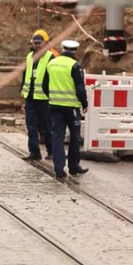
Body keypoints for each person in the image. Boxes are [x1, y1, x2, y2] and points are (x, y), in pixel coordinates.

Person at [43, 39, 89, 181]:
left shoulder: (51, 64)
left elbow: (44, 85)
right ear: (75, 51)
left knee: (57, 136)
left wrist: (52, 98)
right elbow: (80, 88)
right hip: (72, 108)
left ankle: (59, 169)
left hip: (55, 107)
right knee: (74, 136)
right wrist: (84, 103)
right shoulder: (75, 66)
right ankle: (74, 166)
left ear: (62, 49)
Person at [21, 29, 55, 161]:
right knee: (31, 127)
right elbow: (25, 74)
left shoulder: (51, 57)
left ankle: (51, 151)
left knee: (47, 127)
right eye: (35, 43)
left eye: (39, 43)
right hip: (30, 97)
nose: (36, 45)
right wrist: (21, 88)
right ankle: (34, 152)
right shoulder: (29, 56)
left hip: (44, 98)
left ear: (45, 43)